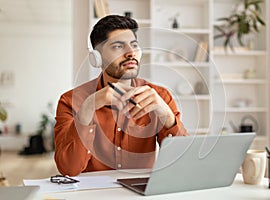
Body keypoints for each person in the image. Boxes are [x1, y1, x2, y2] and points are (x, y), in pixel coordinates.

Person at [54, 15, 188, 176]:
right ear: (97, 58)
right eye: (118, 46)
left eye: (134, 45)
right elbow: (68, 169)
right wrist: (89, 107)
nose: (130, 53)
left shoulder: (160, 97)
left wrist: (167, 116)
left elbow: (183, 162)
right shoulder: (70, 101)